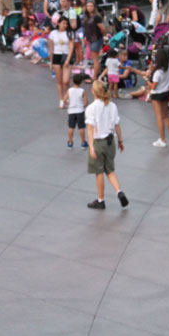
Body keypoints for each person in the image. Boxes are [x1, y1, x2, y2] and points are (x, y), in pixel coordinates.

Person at [84, 78, 128, 210]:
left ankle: (101, 200)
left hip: (98, 142)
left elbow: (91, 128)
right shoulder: (112, 106)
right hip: (110, 142)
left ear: (94, 92)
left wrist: (91, 146)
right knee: (110, 170)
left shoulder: (91, 108)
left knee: (99, 172)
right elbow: (117, 125)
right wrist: (120, 141)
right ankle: (119, 192)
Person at [147, 47, 169, 147]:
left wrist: (147, 79)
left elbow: (153, 86)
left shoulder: (157, 72)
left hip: (157, 95)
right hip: (165, 93)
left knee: (159, 117)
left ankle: (162, 140)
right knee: (166, 116)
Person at [48, 15, 75, 109]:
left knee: (66, 80)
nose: (65, 25)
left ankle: (67, 97)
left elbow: (72, 46)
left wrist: (68, 59)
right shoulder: (53, 33)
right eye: (63, 23)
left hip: (66, 56)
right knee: (59, 81)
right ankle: (61, 99)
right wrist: (51, 62)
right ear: (58, 23)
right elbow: (51, 48)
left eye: (66, 24)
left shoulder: (70, 33)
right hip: (56, 55)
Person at [64, 73, 89, 150]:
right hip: (80, 111)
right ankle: (83, 142)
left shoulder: (69, 90)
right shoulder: (82, 91)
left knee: (71, 127)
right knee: (81, 127)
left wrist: (68, 104)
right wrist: (83, 105)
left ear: (72, 81)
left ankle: (70, 143)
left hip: (71, 111)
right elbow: (85, 103)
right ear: (81, 82)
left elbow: (64, 99)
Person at [81, 0, 105, 79]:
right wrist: (85, 37)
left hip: (96, 39)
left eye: (91, 6)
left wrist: (100, 36)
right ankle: (98, 73)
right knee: (94, 58)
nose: (89, 8)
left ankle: (94, 76)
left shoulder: (97, 17)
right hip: (89, 38)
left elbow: (102, 28)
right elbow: (86, 28)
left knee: (95, 58)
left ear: (94, 7)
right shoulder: (87, 16)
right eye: (88, 6)